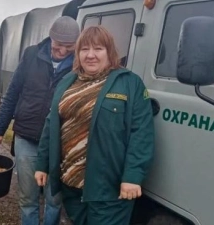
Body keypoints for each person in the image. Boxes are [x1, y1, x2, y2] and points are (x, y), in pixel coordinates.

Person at [34, 26, 155, 225]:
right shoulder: (67, 82)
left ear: (110, 52)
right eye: (84, 49)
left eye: (98, 49)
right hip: (71, 183)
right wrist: (42, 164)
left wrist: (133, 176)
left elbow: (141, 133)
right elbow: (51, 125)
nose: (90, 55)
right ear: (78, 53)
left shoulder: (130, 84)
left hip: (109, 188)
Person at [0, 16, 80, 225]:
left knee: (54, 198)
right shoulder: (31, 55)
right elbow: (13, 92)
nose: (63, 51)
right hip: (26, 138)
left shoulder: (79, 64)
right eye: (59, 45)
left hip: (59, 143)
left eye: (69, 46)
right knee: (28, 197)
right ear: (51, 38)